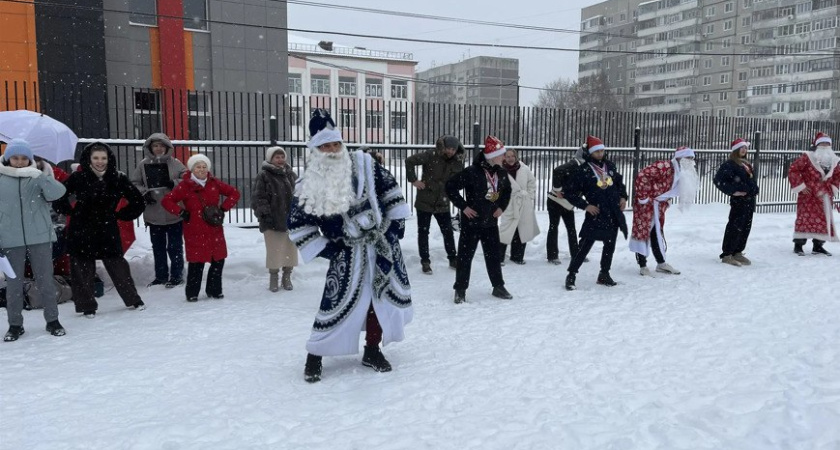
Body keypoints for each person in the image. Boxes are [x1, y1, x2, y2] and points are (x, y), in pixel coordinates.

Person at [288, 109, 412, 383]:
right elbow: (298, 224)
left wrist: (394, 226)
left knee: (379, 299)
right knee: (336, 304)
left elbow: (390, 189)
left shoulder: (365, 163)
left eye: (336, 144)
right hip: (347, 253)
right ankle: (315, 354)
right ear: (315, 150)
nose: (332, 150)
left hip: (381, 245)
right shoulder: (308, 183)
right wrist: (328, 248)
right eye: (325, 146)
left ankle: (372, 350)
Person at [54, 142, 147, 318]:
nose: (100, 161)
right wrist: (70, 211)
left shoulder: (118, 178)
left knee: (118, 266)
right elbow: (59, 197)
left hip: (107, 228)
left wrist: (122, 214)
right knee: (82, 268)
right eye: (96, 158)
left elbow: (137, 201)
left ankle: (133, 299)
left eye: (103, 158)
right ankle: (87, 306)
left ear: (109, 159)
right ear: (89, 159)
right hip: (81, 228)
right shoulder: (78, 177)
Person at [0, 139, 67, 341]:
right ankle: (15, 325)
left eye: (24, 158)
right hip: (10, 238)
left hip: (39, 236)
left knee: (45, 280)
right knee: (13, 284)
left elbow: (58, 193)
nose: (20, 162)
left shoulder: (36, 177)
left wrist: (41, 175)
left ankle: (53, 320)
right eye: (15, 158)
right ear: (8, 158)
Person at [161, 154, 240, 302]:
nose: (202, 170)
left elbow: (234, 193)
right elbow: (167, 201)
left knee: (218, 260)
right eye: (198, 167)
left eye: (204, 167)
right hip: (194, 229)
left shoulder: (214, 183)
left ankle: (214, 290)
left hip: (214, 228)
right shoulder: (185, 186)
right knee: (197, 262)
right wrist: (181, 212)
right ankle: (192, 293)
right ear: (192, 169)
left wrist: (223, 208)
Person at [446, 135, 513, 304]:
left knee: (494, 256)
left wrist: (501, 207)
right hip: (472, 223)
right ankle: (460, 290)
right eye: (501, 155)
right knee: (465, 257)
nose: (504, 158)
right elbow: (450, 186)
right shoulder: (472, 172)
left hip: (491, 223)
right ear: (492, 156)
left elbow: (507, 191)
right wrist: (464, 206)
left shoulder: (501, 172)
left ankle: (498, 286)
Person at [562, 135, 628, 290]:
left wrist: (623, 197)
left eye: (602, 151)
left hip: (612, 213)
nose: (600, 154)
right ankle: (571, 274)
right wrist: (585, 206)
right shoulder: (583, 170)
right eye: (597, 151)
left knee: (610, 245)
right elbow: (569, 192)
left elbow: (619, 184)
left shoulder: (610, 166)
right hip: (596, 213)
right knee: (585, 245)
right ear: (590, 152)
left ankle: (604, 273)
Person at [629, 146, 699, 276]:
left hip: (659, 206)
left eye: (692, 158)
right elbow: (642, 175)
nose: (690, 161)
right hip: (646, 205)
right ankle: (642, 265)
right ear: (679, 158)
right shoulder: (664, 166)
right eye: (688, 157)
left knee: (656, 233)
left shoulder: (682, 172)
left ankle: (661, 263)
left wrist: (666, 200)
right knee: (642, 232)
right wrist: (643, 197)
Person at [130, 133, 187, 288]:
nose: (159, 148)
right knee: (158, 248)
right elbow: (134, 183)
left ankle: (177, 275)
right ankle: (160, 277)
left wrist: (174, 183)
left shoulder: (176, 163)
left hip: (174, 214)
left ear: (167, 147)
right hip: (153, 213)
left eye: (161, 145)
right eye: (155, 146)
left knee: (175, 247)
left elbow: (187, 179)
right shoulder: (143, 165)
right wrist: (144, 193)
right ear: (150, 148)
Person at [405, 135, 465, 274]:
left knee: (447, 231)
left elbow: (459, 180)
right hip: (425, 200)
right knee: (423, 232)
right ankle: (425, 261)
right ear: (444, 147)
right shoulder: (431, 155)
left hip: (443, 202)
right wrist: (414, 180)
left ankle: (453, 258)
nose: (450, 151)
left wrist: (457, 186)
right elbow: (409, 161)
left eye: (453, 149)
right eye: (448, 148)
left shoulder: (457, 161)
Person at [251, 146, 298, 292]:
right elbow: (259, 197)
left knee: (290, 251)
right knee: (274, 251)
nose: (280, 159)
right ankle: (274, 277)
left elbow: (300, 193)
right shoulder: (264, 175)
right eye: (277, 157)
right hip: (272, 220)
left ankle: (287, 276)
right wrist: (265, 215)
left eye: (282, 157)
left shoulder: (291, 174)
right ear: (270, 159)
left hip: (291, 220)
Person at [788, 132, 840, 256]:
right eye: (822, 143)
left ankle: (818, 246)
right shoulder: (807, 157)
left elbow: (837, 175)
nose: (825, 145)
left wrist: (833, 187)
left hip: (825, 195)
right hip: (808, 195)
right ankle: (798, 245)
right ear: (817, 144)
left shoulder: (834, 160)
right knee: (804, 219)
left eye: (827, 143)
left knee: (823, 221)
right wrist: (801, 186)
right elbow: (793, 170)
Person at [713, 138, 759, 266]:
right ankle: (727, 254)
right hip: (739, 201)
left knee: (745, 227)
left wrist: (753, 189)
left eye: (745, 148)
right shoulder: (730, 164)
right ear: (735, 150)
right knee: (735, 226)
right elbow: (718, 180)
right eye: (741, 148)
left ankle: (737, 252)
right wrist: (733, 191)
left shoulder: (746, 164)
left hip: (749, 200)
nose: (744, 150)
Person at [499, 148, 539, 265]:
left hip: (523, 202)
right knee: (505, 230)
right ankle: (499, 258)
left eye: (512, 156)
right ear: (504, 158)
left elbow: (531, 182)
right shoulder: (500, 170)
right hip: (508, 203)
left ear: (516, 157)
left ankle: (517, 256)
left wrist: (529, 195)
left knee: (522, 229)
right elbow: (494, 187)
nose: (510, 159)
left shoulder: (524, 168)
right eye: (508, 156)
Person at [546, 147, 586, 265]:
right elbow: (557, 170)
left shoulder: (584, 167)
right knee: (554, 227)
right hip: (555, 201)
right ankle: (552, 256)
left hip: (567, 203)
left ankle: (575, 254)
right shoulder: (574, 164)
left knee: (571, 228)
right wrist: (557, 189)